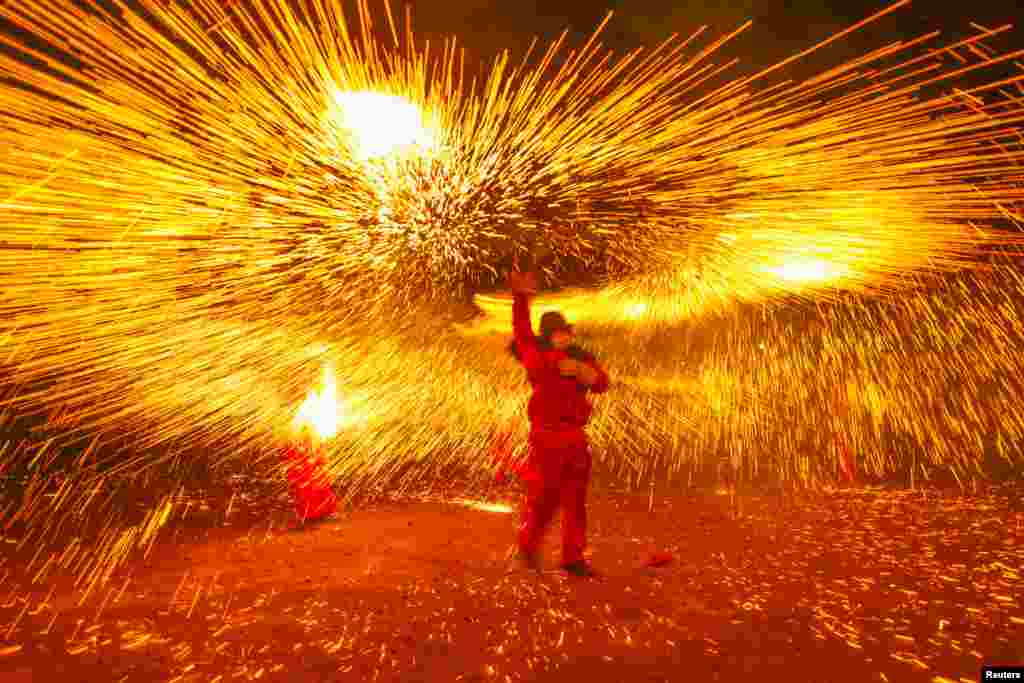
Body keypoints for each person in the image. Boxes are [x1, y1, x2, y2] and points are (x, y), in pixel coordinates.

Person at [506, 270, 609, 577]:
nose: (566, 335)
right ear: (549, 336)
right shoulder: (535, 355)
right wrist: (521, 298)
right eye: (561, 332)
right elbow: (521, 328)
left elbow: (602, 383)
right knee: (545, 499)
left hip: (576, 437)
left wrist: (586, 373)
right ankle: (528, 546)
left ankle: (572, 557)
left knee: (576, 500)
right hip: (547, 436)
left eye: (568, 331)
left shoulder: (580, 358)